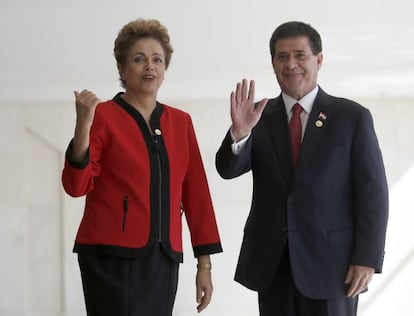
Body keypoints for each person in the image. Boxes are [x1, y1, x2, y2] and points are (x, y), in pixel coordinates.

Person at [215, 21, 388, 316]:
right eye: (282, 57)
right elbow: (228, 169)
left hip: (335, 267)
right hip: (274, 265)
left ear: (318, 59)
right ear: (273, 64)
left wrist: (368, 258)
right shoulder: (257, 115)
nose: (291, 64)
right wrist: (240, 134)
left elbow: (373, 194)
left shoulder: (351, 117)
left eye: (300, 55)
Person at [62, 18, 222, 316]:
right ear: (122, 69)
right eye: (139, 59)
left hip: (163, 259)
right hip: (109, 256)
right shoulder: (103, 116)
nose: (149, 66)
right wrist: (83, 126)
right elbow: (76, 186)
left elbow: (197, 196)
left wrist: (205, 265)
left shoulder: (181, 122)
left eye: (157, 60)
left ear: (164, 70)